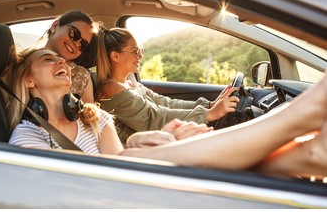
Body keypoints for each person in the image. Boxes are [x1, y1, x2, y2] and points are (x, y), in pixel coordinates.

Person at [2, 46, 327, 179]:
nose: (61, 62)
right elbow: (80, 185)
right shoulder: (26, 138)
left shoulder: (92, 116)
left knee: (148, 144)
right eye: (48, 60)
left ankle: (305, 154)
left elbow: (119, 160)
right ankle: (296, 122)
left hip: (124, 187)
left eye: (61, 60)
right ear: (29, 80)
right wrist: (152, 142)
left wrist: (156, 138)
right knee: (142, 149)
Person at [95, 27, 240, 143]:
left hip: (151, 145)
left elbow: (165, 103)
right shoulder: (110, 88)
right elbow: (153, 118)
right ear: (115, 56)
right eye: (135, 52)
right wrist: (209, 114)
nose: (140, 56)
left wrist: (209, 105)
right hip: (132, 153)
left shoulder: (129, 82)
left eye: (140, 50)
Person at [43, 9, 97, 103]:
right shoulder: (24, 63)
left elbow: (89, 116)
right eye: (74, 34)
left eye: (83, 45)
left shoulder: (81, 76)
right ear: (55, 26)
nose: (77, 44)